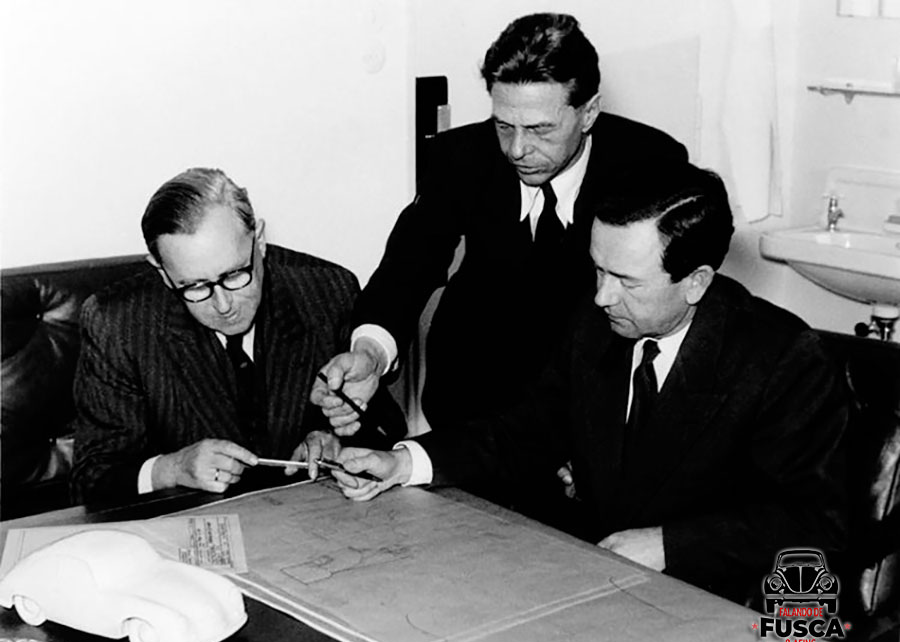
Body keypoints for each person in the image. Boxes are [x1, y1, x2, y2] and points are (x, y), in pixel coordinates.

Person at [327, 162, 848, 602]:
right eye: (599, 270)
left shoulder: (782, 359)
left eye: (626, 281)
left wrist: (670, 545)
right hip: (602, 583)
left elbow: (822, 525)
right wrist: (405, 462)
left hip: (720, 606)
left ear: (696, 282)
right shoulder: (598, 324)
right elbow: (526, 431)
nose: (602, 297)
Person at [312, 12, 688, 438]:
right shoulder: (461, 157)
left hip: (591, 411)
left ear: (588, 113)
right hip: (470, 401)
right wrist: (371, 352)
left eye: (540, 129)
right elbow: (408, 266)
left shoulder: (650, 164)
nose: (517, 150)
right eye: (504, 126)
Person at [71, 167, 403, 505]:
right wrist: (170, 470)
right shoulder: (118, 323)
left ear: (259, 240)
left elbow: (387, 428)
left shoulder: (326, 291)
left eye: (234, 275)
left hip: (310, 516)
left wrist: (335, 441)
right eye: (194, 286)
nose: (223, 304)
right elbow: (92, 479)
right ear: (162, 271)